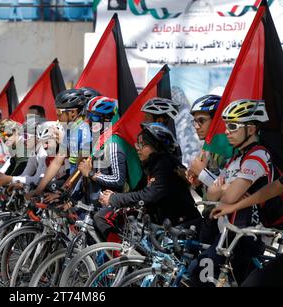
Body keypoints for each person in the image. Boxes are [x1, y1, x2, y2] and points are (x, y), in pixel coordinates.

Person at [189, 99, 273, 286]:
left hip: (246, 235)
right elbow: (211, 194)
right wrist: (226, 189)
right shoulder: (236, 158)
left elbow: (228, 196)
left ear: (251, 129)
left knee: (199, 271)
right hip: (228, 231)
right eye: (226, 126)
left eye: (233, 126)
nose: (226, 131)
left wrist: (225, 189)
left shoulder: (258, 155)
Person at [97, 122, 200, 241]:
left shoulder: (165, 164)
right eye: (138, 143)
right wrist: (115, 196)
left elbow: (149, 195)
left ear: (156, 147)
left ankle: (120, 258)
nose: (137, 147)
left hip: (181, 225)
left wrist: (114, 198)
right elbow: (139, 190)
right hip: (165, 224)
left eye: (142, 144)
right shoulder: (152, 165)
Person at [186, 95, 227, 195]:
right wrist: (198, 184)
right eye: (195, 121)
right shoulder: (209, 149)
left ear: (217, 121)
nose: (196, 126)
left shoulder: (230, 150)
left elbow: (231, 194)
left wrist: (202, 173)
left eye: (201, 120)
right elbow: (208, 198)